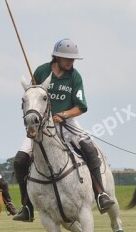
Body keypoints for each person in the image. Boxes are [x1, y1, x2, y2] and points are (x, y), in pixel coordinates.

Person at [12, 38, 115, 222]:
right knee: (20, 161)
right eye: (68, 59)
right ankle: (27, 206)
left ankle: (100, 194)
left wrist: (64, 114)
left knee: (90, 150)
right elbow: (31, 96)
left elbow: (81, 107)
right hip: (40, 126)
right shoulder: (41, 71)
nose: (71, 62)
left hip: (67, 124)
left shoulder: (74, 76)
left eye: (73, 60)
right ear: (57, 57)